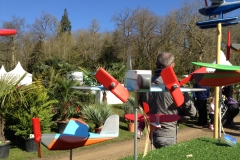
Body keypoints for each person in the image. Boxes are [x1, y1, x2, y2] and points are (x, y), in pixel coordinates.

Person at [138, 52, 196, 149]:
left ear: (156, 65)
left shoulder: (144, 84)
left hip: (152, 133)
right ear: (172, 65)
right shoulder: (176, 86)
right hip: (169, 133)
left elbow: (141, 107)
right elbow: (192, 112)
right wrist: (179, 116)